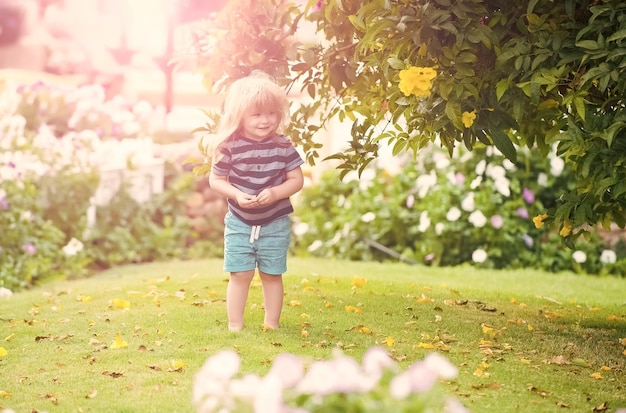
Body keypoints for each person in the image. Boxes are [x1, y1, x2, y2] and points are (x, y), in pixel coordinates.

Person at [208, 72, 304, 331]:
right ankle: (234, 325)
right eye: (257, 114)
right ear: (240, 115)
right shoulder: (230, 146)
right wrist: (237, 194)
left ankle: (271, 323)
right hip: (240, 221)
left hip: (275, 222)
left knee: (272, 274)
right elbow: (216, 180)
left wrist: (275, 193)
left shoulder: (283, 146)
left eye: (271, 113)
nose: (265, 120)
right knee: (240, 274)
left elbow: (297, 180)